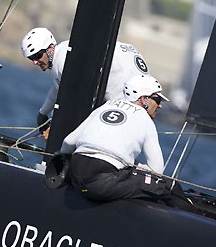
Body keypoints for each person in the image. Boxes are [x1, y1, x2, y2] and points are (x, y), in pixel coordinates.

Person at [59, 75, 194, 211]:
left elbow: (68, 141)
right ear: (143, 99)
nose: (159, 105)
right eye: (157, 99)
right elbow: (157, 170)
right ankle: (194, 220)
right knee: (165, 186)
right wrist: (133, 166)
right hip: (99, 185)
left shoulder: (107, 105)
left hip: (75, 178)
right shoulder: (144, 119)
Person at [21, 28, 150, 139]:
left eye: (37, 56)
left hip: (131, 101)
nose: (34, 62)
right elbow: (58, 89)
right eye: (31, 58)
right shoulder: (67, 50)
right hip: (143, 90)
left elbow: (70, 104)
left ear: (50, 48)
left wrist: (54, 130)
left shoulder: (61, 61)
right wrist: (42, 114)